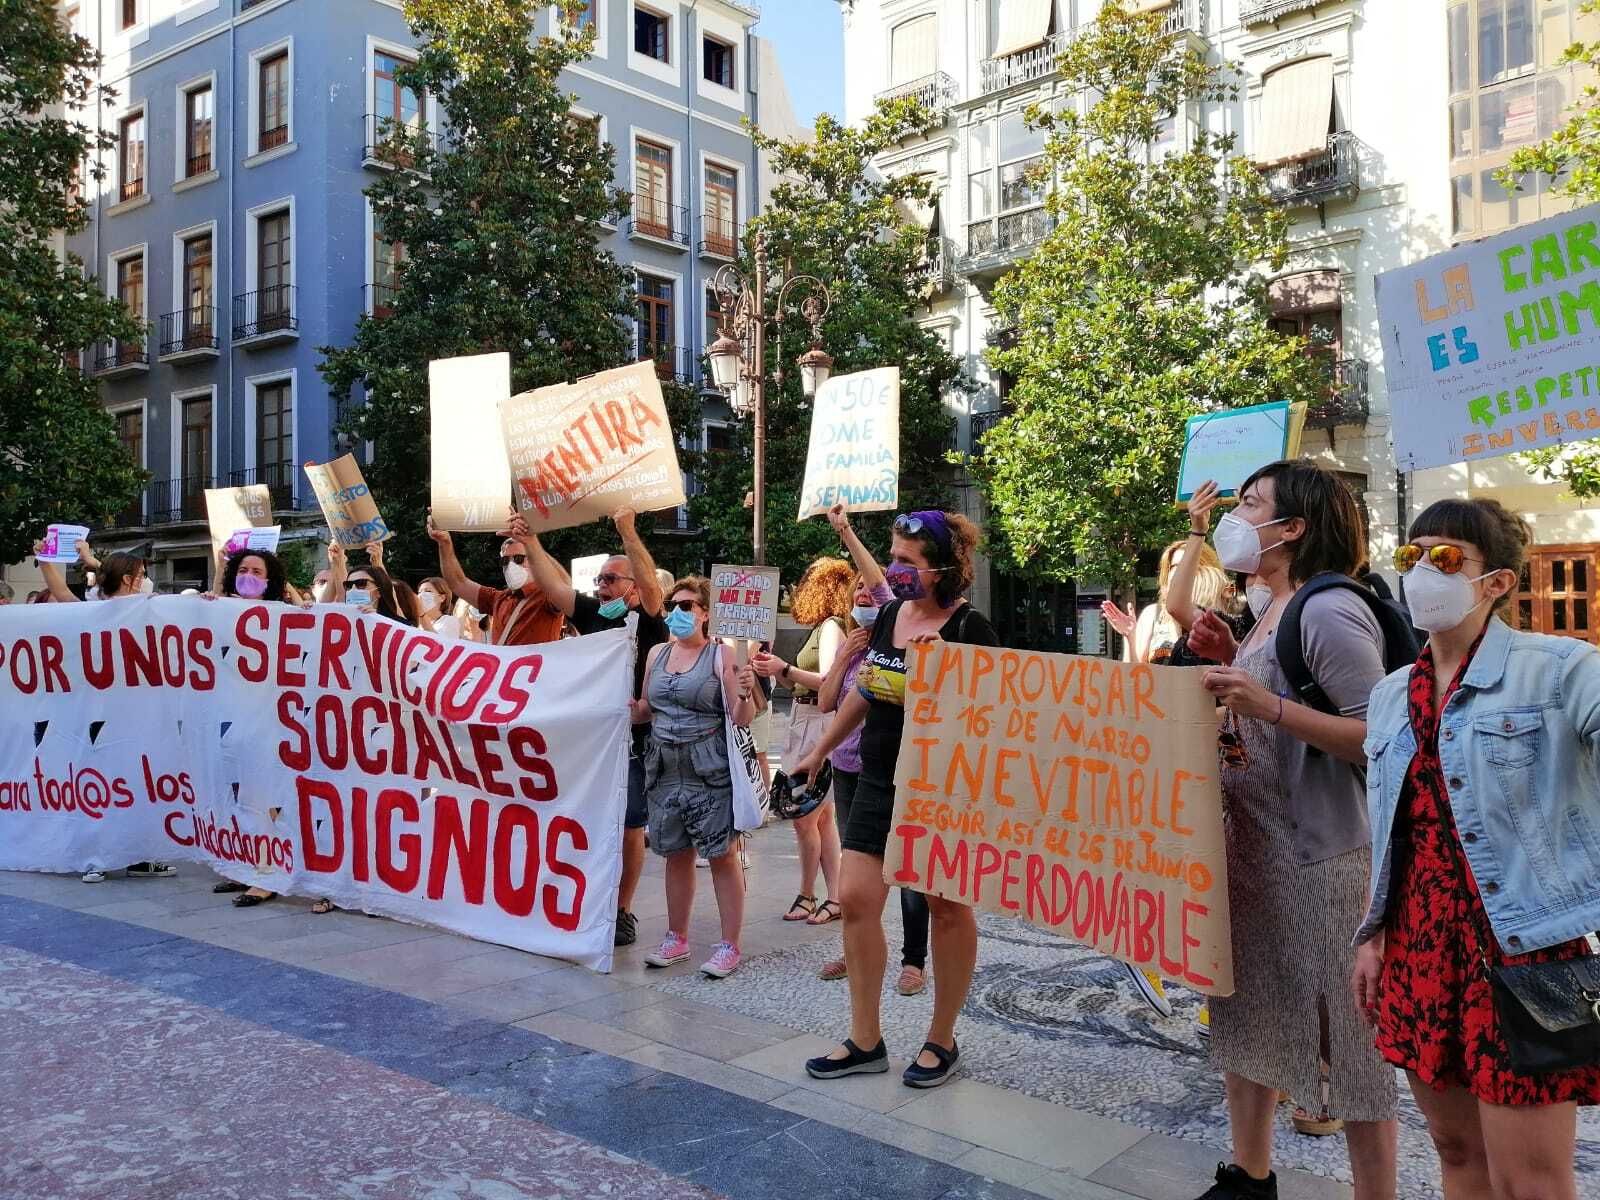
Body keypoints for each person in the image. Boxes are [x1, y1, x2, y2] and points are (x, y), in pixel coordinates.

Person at [1351, 498, 1600, 1200]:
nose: (1423, 572)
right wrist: (1372, 935)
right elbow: (1392, 826)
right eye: (1412, 556)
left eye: (1445, 557)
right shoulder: (1390, 694)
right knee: (1456, 1151)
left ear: (1497, 582)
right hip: (1419, 943)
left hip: (1522, 948)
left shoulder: (1559, 669)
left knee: (1531, 1181)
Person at [1185, 460, 1398, 1200]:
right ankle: (1249, 1176)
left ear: (1294, 527)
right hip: (1257, 852)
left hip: (1320, 858)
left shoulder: (1329, 610)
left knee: (1351, 1039)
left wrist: (1266, 705)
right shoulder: (1272, 605)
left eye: (1250, 504)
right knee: (1250, 1015)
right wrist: (1230, 661)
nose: (1234, 519)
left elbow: (1383, 735)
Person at [792, 510, 998, 1089]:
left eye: (907, 561)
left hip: (940, 790)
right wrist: (820, 750)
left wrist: (945, 671)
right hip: (879, 781)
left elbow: (992, 717)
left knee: (945, 907)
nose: (894, 569)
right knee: (857, 899)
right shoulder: (888, 615)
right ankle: (865, 1039)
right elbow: (866, 690)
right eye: (892, 556)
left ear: (943, 568)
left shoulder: (970, 628)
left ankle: (942, 1039)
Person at [517, 506, 668, 948]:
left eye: (611, 579)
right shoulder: (593, 615)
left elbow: (651, 586)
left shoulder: (652, 621)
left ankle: (622, 909)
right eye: (599, 579)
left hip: (635, 741)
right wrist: (530, 543)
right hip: (595, 739)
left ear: (633, 587)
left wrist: (627, 532)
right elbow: (553, 588)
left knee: (630, 825)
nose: (601, 586)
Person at [810, 505, 919, 990]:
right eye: (856, 591)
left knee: (909, 870)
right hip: (849, 767)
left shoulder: (897, 626)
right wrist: (845, 659)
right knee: (855, 877)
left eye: (868, 591)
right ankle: (854, 949)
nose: (864, 595)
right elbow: (830, 702)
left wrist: (846, 530)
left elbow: (879, 581)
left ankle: (914, 960)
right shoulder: (853, 642)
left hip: (896, 768)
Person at [34, 541, 177, 884]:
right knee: (103, 786)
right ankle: (94, 856)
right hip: (102, 717)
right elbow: (62, 594)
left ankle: (137, 856)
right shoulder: (102, 610)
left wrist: (56, 561)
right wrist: (46, 561)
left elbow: (65, 591)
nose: (144, 579)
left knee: (136, 787)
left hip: (132, 715)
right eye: (141, 574)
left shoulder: (141, 608)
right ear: (129, 579)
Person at [639, 576, 758, 978]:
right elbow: (646, 708)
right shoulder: (656, 653)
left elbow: (741, 717)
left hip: (708, 767)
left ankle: (729, 945)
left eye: (687, 605)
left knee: (721, 853)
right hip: (664, 766)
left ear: (706, 613)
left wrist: (746, 692)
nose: (677, 612)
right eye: (673, 605)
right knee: (675, 852)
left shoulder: (721, 655)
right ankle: (676, 938)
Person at [753, 556, 854, 926]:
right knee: (821, 818)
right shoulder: (824, 627)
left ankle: (810, 894)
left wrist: (784, 668)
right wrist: (778, 670)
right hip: (806, 719)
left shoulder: (830, 627)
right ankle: (833, 896)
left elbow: (828, 681)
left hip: (816, 722)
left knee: (804, 815)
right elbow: (801, 681)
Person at [205, 548, 294, 907]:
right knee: (234, 793)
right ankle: (245, 864)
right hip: (227, 718)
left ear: (270, 580)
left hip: (266, 717)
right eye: (243, 570)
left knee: (261, 793)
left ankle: (267, 871)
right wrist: (218, 574)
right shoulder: (220, 610)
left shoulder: (282, 616)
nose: (249, 576)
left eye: (257, 571)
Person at [427, 511, 565, 646]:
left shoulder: (546, 597)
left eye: (518, 559)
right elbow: (457, 583)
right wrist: (444, 543)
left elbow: (565, 588)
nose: (511, 565)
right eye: (505, 561)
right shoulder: (498, 599)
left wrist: (531, 542)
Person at [1102, 536, 1225, 665]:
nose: (1179, 572)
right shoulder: (1153, 615)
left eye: (1186, 566)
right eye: (1174, 566)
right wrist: (1130, 637)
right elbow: (1134, 673)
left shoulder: (1221, 618)